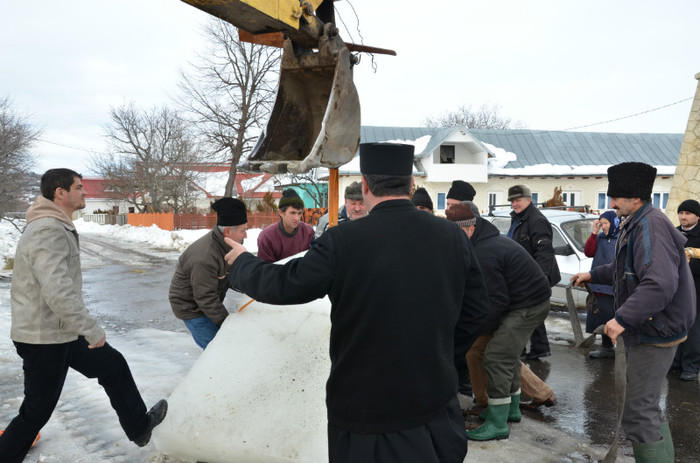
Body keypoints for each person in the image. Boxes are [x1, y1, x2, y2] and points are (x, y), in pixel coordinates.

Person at [224, 143, 491, 463]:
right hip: (433, 406)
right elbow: (477, 310)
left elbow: (285, 285)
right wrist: (439, 355)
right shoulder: (453, 237)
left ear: (365, 186)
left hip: (365, 412)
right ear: (410, 185)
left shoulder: (341, 241)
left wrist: (241, 263)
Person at [0, 169, 167, 463]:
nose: (85, 193)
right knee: (36, 412)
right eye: (79, 188)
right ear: (60, 193)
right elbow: (57, 291)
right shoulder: (48, 230)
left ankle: (139, 428)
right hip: (44, 339)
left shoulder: (55, 226)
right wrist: (90, 329)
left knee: (112, 364)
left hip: (60, 333)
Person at [571, 162, 695, 462]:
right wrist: (594, 274)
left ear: (635, 198)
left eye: (616, 197)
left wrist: (623, 318)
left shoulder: (649, 225)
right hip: (655, 325)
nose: (610, 204)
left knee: (638, 411)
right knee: (646, 407)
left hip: (656, 329)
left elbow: (659, 284)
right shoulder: (639, 220)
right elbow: (630, 267)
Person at [446, 204, 551, 441]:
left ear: (469, 229)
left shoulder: (484, 252)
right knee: (506, 355)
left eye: (455, 234)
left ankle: (497, 421)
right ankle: (511, 410)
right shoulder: (480, 241)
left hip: (528, 306)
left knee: (496, 357)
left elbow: (494, 301)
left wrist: (473, 330)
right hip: (518, 302)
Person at [169, 197, 248, 349]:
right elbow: (205, 297)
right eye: (243, 230)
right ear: (227, 231)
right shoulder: (204, 257)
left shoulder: (227, 244)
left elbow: (232, 275)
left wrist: (253, 288)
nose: (246, 235)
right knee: (218, 349)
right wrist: (227, 324)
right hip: (191, 308)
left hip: (205, 302)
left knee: (225, 342)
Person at [507, 184, 561, 360]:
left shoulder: (536, 220)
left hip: (534, 275)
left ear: (529, 200)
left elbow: (544, 251)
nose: (515, 204)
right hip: (523, 274)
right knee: (532, 311)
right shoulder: (518, 217)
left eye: (518, 200)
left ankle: (520, 351)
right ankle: (540, 348)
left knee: (523, 312)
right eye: (513, 201)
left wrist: (541, 278)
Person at [583, 210, 621, 359]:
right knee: (601, 317)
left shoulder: (620, 238)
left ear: (614, 223)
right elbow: (588, 252)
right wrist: (594, 232)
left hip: (613, 286)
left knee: (613, 317)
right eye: (601, 223)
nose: (603, 226)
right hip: (598, 285)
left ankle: (621, 348)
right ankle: (606, 347)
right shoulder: (599, 238)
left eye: (606, 223)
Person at [674, 199, 700, 381]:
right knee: (677, 326)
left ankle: (691, 366)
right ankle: (675, 362)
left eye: (688, 213)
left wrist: (690, 264)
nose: (683, 217)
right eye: (681, 213)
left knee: (694, 330)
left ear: (697, 216)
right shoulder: (675, 233)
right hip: (677, 290)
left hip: (697, 289)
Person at [257, 188, 314, 262]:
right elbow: (265, 270)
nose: (297, 218)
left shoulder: (308, 232)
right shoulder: (267, 237)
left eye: (299, 213)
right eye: (292, 213)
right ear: (281, 213)